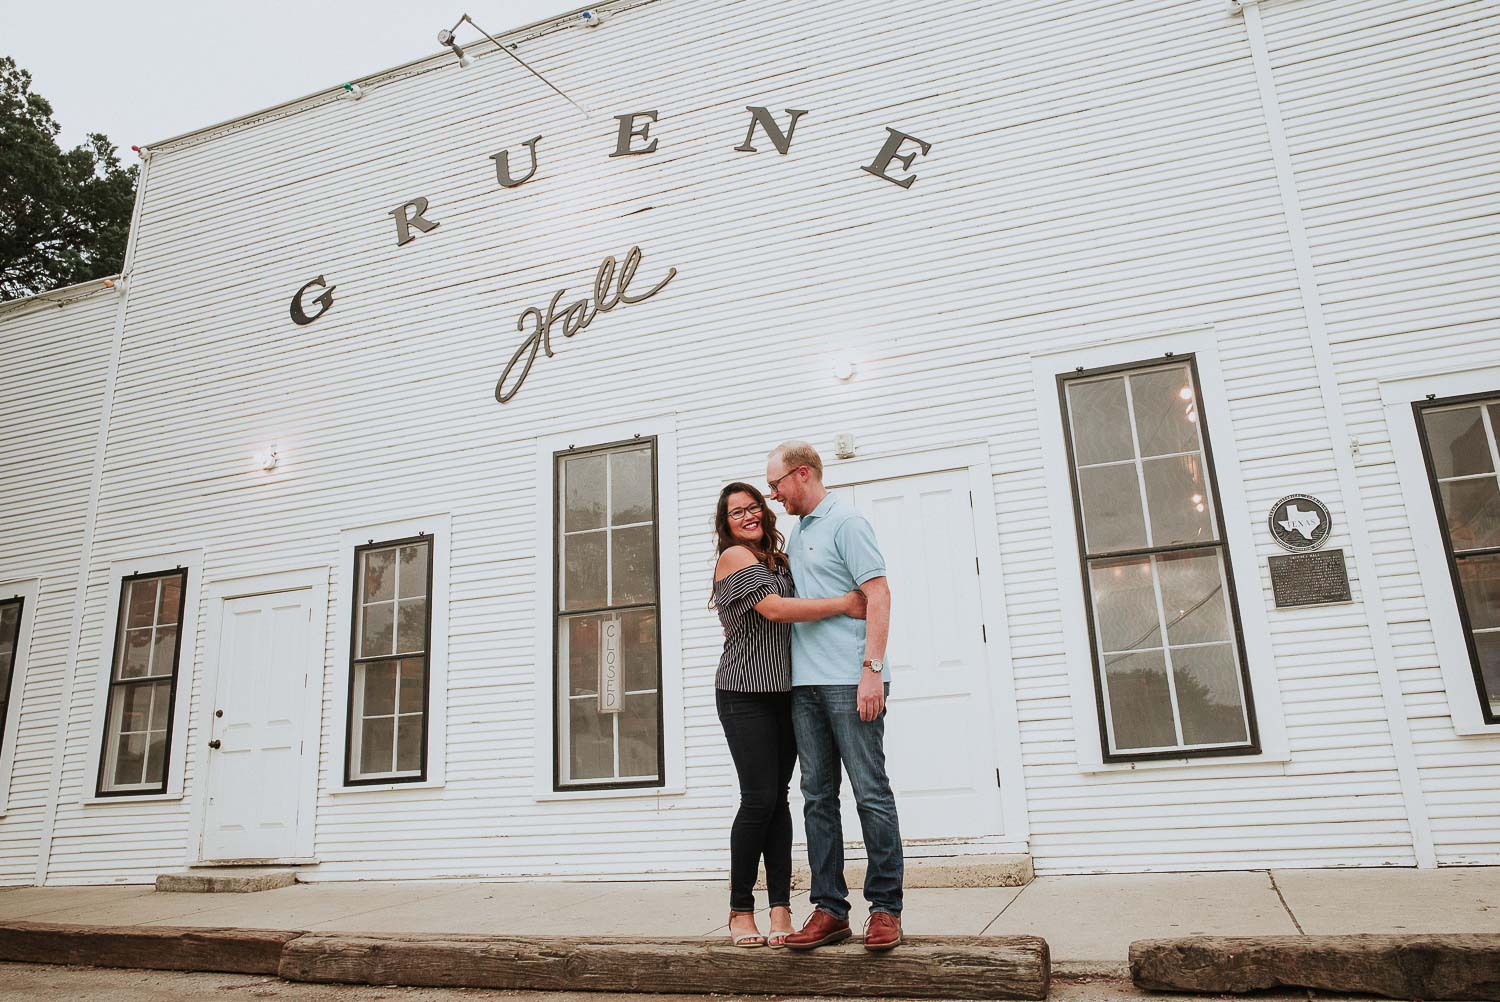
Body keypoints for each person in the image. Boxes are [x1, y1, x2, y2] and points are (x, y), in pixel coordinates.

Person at [711, 481, 867, 948]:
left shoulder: (779, 558)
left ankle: (781, 908)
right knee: (758, 799)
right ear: (726, 524)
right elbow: (775, 610)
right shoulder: (734, 558)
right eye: (736, 512)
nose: (747, 516)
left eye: (753, 506)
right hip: (744, 693)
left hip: (786, 693)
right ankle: (741, 910)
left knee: (778, 800)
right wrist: (845, 603)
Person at [766, 441, 904, 952]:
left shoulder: (847, 523)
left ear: (802, 474)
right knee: (818, 797)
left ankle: (886, 908)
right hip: (806, 685)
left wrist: (871, 671)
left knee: (870, 792)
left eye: (776, 483)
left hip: (852, 680)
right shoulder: (799, 531)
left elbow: (879, 594)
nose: (773, 494)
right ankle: (830, 909)